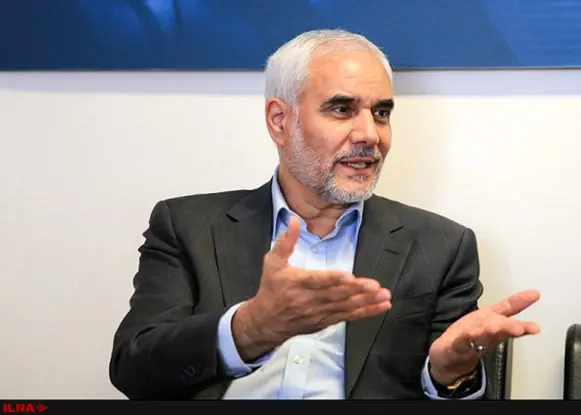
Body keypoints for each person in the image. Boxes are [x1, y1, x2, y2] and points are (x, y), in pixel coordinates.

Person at [108, 28, 541, 400]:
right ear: (280, 121)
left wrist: (449, 375)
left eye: (381, 113)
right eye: (342, 109)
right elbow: (134, 370)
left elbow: (449, 378)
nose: (370, 135)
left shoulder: (441, 246)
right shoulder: (188, 226)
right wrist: (248, 330)